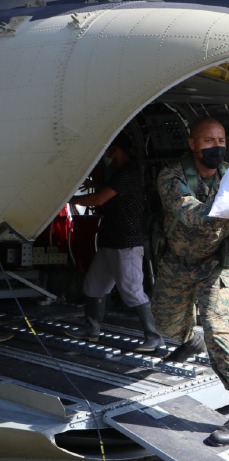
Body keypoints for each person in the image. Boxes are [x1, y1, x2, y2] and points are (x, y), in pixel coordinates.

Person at [152, 116, 229, 447]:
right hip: (177, 265)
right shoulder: (171, 175)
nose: (216, 146)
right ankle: (186, 340)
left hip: (215, 264)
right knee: (166, 326)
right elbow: (191, 214)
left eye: (221, 140)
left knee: (214, 322)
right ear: (192, 144)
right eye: (208, 141)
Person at [67, 134, 163, 352]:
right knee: (93, 286)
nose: (107, 154)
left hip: (126, 243)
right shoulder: (120, 173)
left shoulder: (127, 173)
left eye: (109, 150)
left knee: (131, 290)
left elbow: (99, 199)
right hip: (110, 241)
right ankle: (91, 330)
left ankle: (154, 336)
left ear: (117, 150)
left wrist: (69, 200)